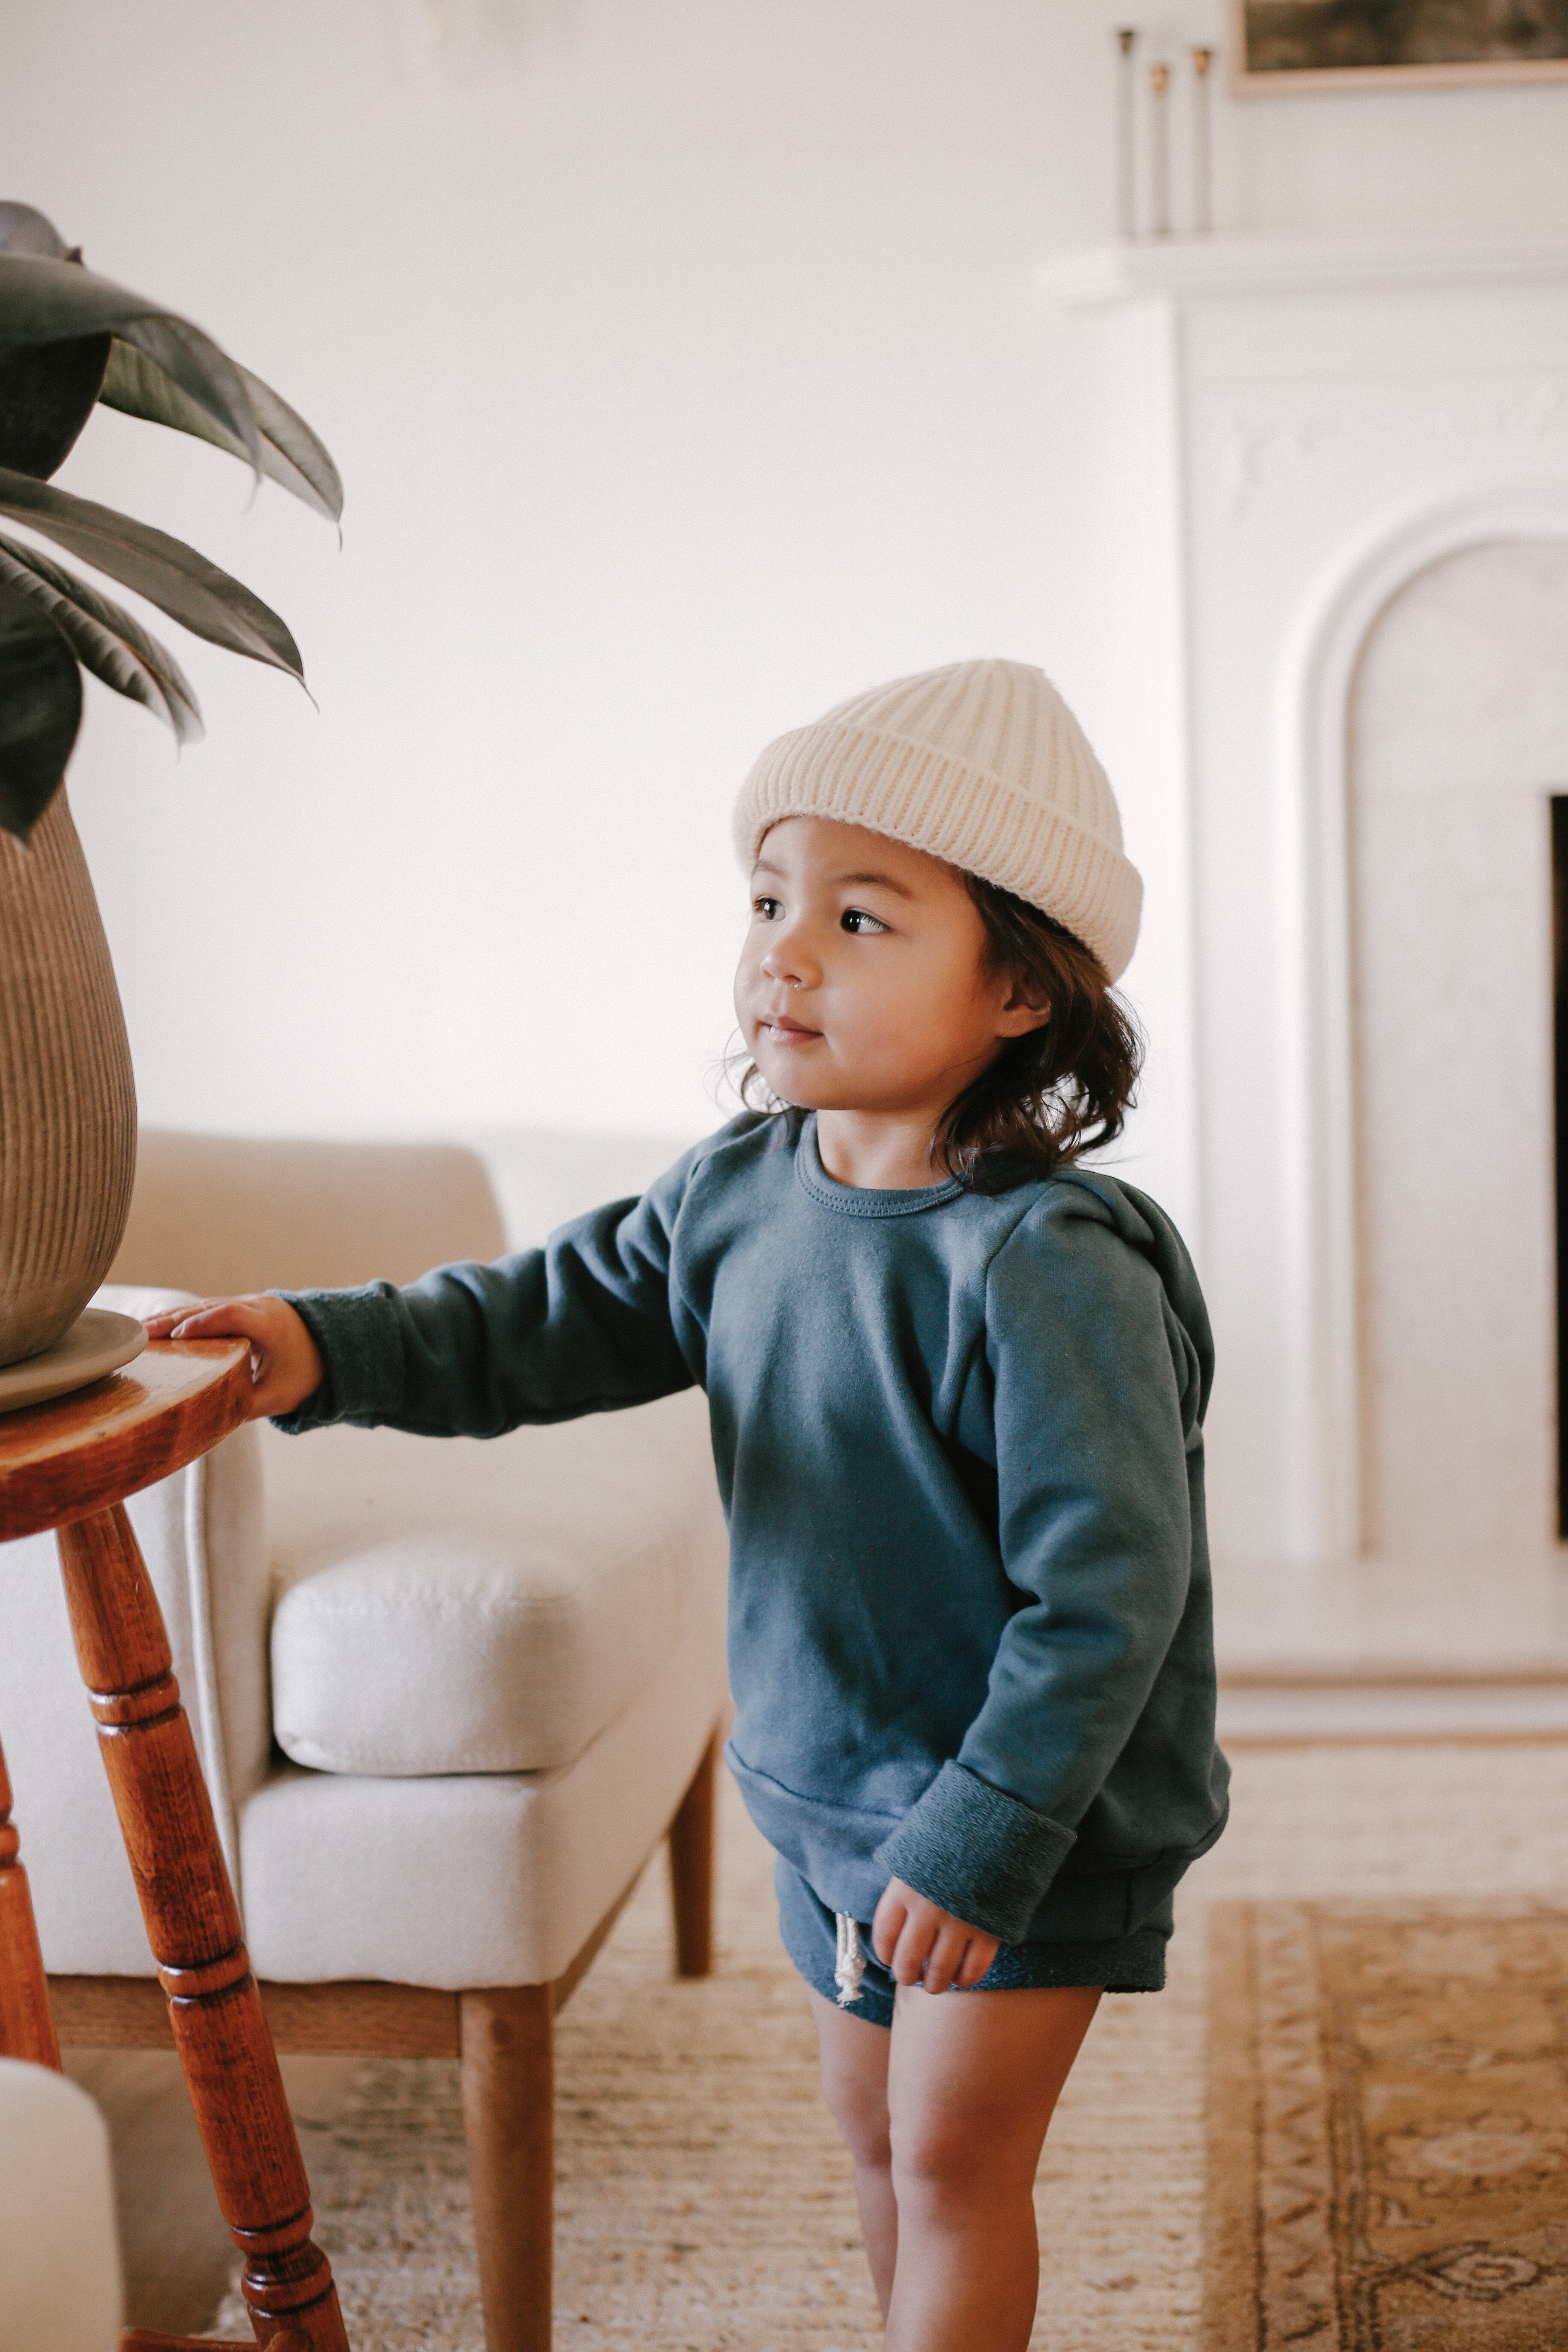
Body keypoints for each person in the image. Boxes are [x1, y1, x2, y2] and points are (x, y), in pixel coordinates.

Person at [149, 658, 1228, 2352]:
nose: (784, 951)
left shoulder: (1045, 1267)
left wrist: (984, 1837)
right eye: (771, 899)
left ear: (1021, 988)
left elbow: (1111, 1595)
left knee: (956, 2165)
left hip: (1024, 1812)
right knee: (875, 2143)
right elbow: (526, 1324)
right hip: (823, 1790)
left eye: (864, 920)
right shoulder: (733, 1195)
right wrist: (318, 1342)